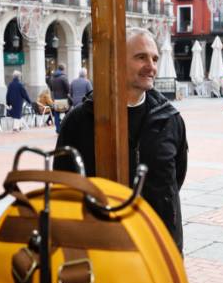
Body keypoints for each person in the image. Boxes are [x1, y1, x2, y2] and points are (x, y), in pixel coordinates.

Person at [56, 28, 188, 250]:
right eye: (141, 57)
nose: (151, 66)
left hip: (159, 245)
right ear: (116, 62)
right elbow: (63, 187)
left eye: (155, 59)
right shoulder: (79, 121)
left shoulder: (170, 119)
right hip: (101, 248)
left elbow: (175, 180)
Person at [47, 64, 71, 133]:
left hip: (56, 99)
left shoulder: (52, 78)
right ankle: (67, 128)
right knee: (67, 113)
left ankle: (58, 129)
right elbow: (68, 88)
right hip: (64, 99)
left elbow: (51, 88)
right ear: (63, 69)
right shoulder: (64, 77)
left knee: (56, 115)